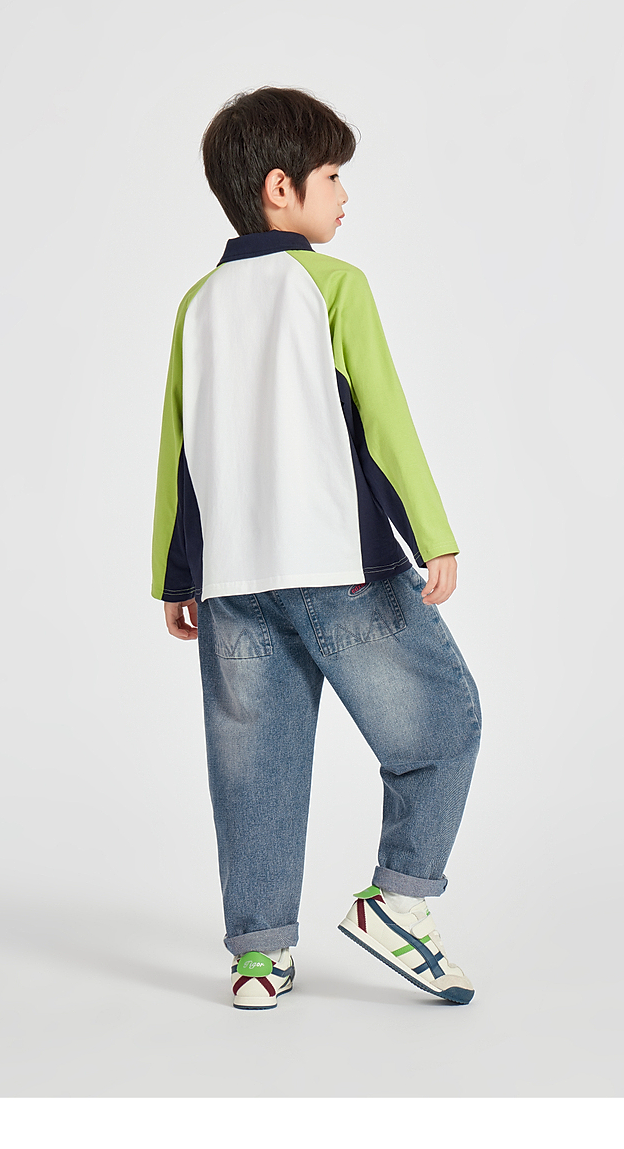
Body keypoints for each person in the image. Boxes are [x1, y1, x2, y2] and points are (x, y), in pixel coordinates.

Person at [151, 87, 482, 1010]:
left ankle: (259, 957)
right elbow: (382, 421)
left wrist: (174, 573)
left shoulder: (196, 304)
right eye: (332, 177)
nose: (344, 195)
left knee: (251, 766)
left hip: (233, 578)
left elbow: (178, 447)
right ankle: (399, 902)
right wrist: (432, 534)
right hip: (339, 568)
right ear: (279, 188)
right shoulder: (336, 285)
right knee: (441, 725)